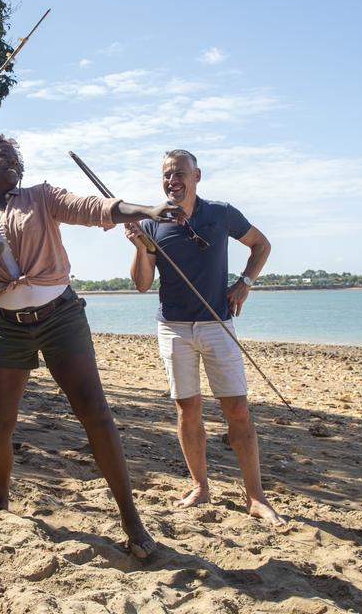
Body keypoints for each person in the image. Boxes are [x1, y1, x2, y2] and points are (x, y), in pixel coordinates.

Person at [0, 132, 184, 558]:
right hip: (6, 327)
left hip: (61, 317)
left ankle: (131, 520)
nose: (12, 161)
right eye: (1, 157)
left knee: (95, 412)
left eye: (15, 156)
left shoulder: (42, 198)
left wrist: (147, 209)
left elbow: (95, 208)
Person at [124, 149, 285, 526]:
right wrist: (139, 248)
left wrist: (244, 284)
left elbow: (262, 245)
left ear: (197, 175)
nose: (172, 180)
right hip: (173, 327)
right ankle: (200, 486)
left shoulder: (221, 213)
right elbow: (143, 285)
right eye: (166, 174)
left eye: (179, 173)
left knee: (237, 410)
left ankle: (256, 497)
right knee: (188, 408)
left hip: (217, 323)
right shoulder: (151, 222)